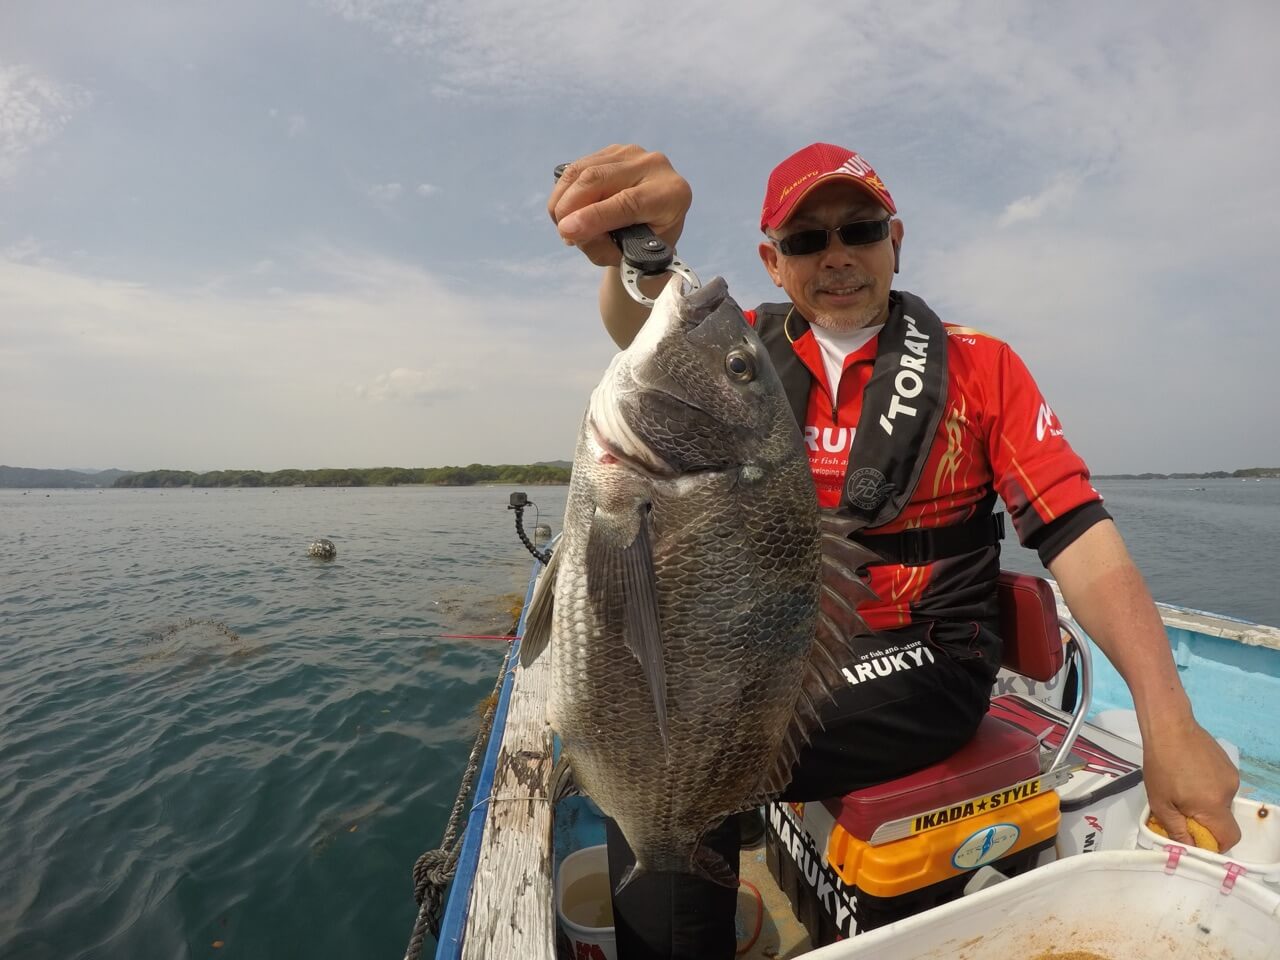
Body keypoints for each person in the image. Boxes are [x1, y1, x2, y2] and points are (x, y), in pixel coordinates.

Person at [548, 142, 1241, 959]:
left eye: (860, 229)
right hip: (780, 650)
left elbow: (1079, 536)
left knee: (684, 747)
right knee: (662, 746)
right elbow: (645, 327)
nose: (836, 256)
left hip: (934, 656)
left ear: (896, 241)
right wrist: (639, 240)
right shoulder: (748, 357)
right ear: (772, 261)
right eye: (806, 241)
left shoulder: (984, 367)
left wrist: (1170, 724)